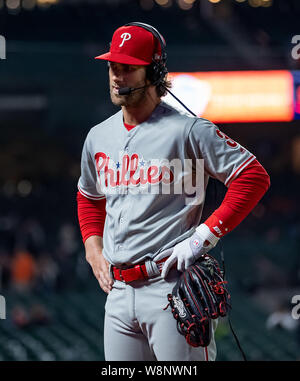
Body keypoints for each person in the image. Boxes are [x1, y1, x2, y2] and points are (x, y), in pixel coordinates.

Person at [76, 22, 270, 361]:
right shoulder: (97, 136)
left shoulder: (190, 130)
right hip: (118, 292)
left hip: (171, 286)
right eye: (113, 66)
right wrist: (93, 247)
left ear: (154, 71)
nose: (117, 76)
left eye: (128, 68)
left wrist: (202, 238)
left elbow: (252, 176)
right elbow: (89, 196)